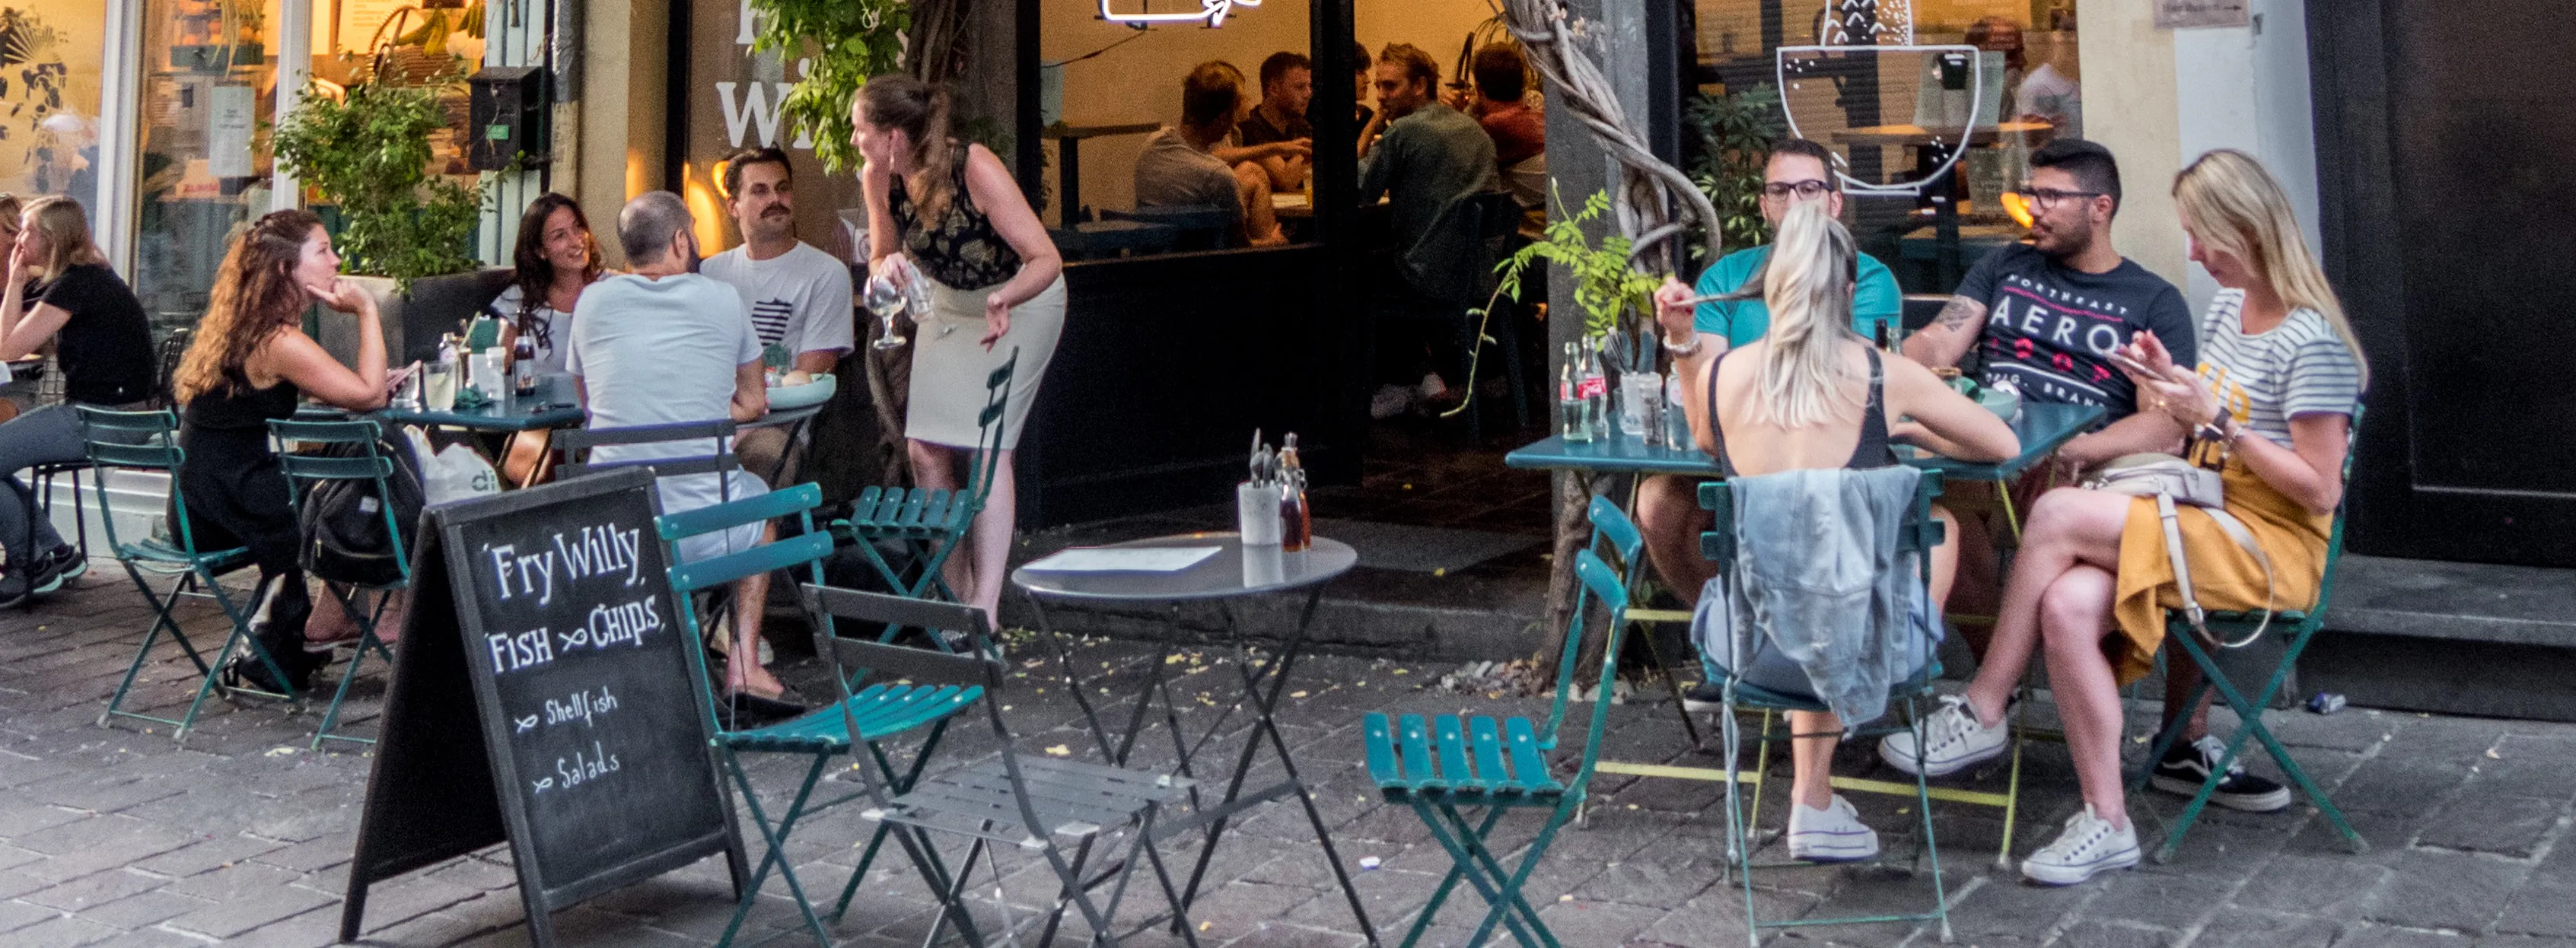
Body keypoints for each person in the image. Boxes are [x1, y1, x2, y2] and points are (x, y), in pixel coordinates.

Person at [1880, 149, 2367, 886]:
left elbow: (2318, 493)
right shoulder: (2232, 310)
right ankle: (2105, 821)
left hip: (2263, 545)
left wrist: (2219, 424)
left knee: (2056, 514)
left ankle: (1983, 706)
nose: (2195, 253)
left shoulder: (2314, 344)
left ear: (2248, 231)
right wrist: (2170, 385)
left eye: (2204, 237)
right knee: (2068, 603)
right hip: (2205, 511)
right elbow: (2205, 418)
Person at [1662, 199, 2019, 861]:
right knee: (1926, 527)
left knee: (1806, 571)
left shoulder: (1720, 376)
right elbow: (1999, 443)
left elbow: (1704, 437)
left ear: (1771, 290)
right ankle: (1815, 798)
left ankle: (1814, 801)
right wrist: (1916, 429)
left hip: (1744, 644)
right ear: (1849, 291)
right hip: (1871, 648)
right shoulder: (1885, 375)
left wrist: (1683, 344)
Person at [1898, 138, 2197, 655]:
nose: (2031, 209)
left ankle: (2009, 682)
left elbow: (2166, 424)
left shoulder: (2152, 301)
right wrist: (1884, 365)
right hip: (1984, 456)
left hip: (2078, 473)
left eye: (2050, 197)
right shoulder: (2003, 266)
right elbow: (1941, 339)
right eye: (2030, 194)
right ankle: (1997, 672)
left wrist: (2073, 451)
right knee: (1935, 512)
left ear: (2100, 208)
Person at [1641, 140, 1908, 615]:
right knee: (1658, 501)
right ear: (1764, 206)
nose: (1794, 202)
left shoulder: (1862, 277)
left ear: (1834, 201)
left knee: (1947, 526)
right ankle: (1725, 634)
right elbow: (1707, 397)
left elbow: (1857, 375)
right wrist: (1681, 336)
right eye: (1780, 190)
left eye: (1809, 188)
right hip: (1740, 458)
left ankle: (1760, 642)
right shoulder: (1728, 277)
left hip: (1837, 467)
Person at [854, 75, 1067, 628]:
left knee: (987, 450)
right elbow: (878, 256)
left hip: (1022, 301)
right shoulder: (878, 176)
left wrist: (1003, 298)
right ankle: (953, 600)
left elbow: (1045, 259)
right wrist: (887, 269)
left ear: (894, 136)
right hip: (950, 307)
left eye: (861, 131)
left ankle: (986, 607)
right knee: (925, 449)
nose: (855, 141)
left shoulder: (974, 167)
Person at [567, 192, 788, 706]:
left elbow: (590, 405)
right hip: (700, 528)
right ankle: (745, 667)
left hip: (614, 531)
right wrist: (705, 411)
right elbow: (754, 401)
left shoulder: (592, 300)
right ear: (681, 241)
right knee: (763, 514)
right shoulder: (720, 298)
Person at [169, 209, 393, 693]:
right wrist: (367, 311)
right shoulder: (278, 339)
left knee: (350, 466)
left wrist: (349, 387)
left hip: (201, 496)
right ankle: (348, 612)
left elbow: (333, 389)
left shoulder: (248, 326)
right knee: (369, 477)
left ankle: (318, 623)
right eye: (323, 251)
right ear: (287, 270)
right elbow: (371, 396)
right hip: (233, 500)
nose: (336, 261)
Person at [0, 196, 154, 606]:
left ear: (51, 239)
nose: (19, 237)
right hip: (123, 415)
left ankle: (31, 567)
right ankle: (55, 553)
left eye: (28, 229)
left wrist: (15, 279)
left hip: (105, 418)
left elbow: (7, 349)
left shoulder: (76, 284)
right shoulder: (89, 277)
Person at [1358, 42, 1499, 418]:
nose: (1381, 96)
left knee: (1359, 271)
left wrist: (1371, 127)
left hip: (1432, 277)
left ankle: (1393, 383)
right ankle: (1424, 376)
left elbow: (1360, 192)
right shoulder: (1472, 128)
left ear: (1420, 86)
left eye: (1391, 87)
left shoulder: (1403, 132)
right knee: (1387, 263)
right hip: (1483, 273)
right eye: (1379, 87)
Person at [702, 147, 857, 478]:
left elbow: (804, 379)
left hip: (781, 428)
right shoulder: (711, 274)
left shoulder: (825, 273)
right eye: (759, 191)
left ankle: (765, 532)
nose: (775, 198)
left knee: (762, 462)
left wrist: (742, 422)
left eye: (782, 188)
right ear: (733, 206)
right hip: (711, 421)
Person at [1135, 62, 1287, 247]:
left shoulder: (1152, 144)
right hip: (1203, 264)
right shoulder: (1218, 176)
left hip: (1154, 259)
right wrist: (1272, 243)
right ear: (1223, 119)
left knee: (1251, 171)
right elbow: (1239, 248)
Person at [484, 192, 604, 377]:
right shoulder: (518, 301)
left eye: (578, 228)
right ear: (540, 251)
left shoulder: (615, 289)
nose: (576, 241)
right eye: (560, 236)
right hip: (537, 405)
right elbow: (494, 374)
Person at [1450, 41, 1545, 208]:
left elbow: (1455, 164)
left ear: (1479, 88)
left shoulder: (1494, 126)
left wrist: (1463, 112)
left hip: (1532, 223)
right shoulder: (1538, 117)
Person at [1235, 51, 1317, 192]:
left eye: (1309, 87)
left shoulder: (1301, 126)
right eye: (1300, 87)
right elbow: (1284, 180)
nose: (1308, 94)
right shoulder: (1250, 128)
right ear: (1273, 89)